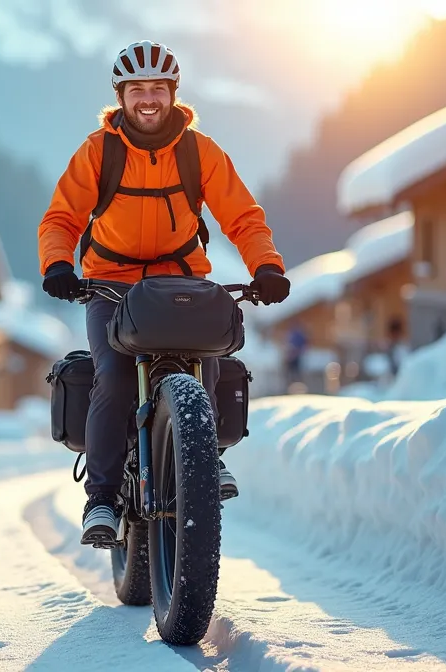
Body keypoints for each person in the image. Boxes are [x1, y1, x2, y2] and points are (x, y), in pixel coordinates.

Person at [36, 40, 290, 546]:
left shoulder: (200, 151)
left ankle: (204, 457)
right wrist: (58, 264)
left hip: (180, 277)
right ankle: (103, 500)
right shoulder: (99, 151)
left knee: (208, 356)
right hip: (110, 282)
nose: (147, 99)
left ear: (173, 94)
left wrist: (266, 265)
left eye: (157, 89)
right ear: (121, 96)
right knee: (111, 374)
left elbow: (242, 216)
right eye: (137, 90)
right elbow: (62, 217)